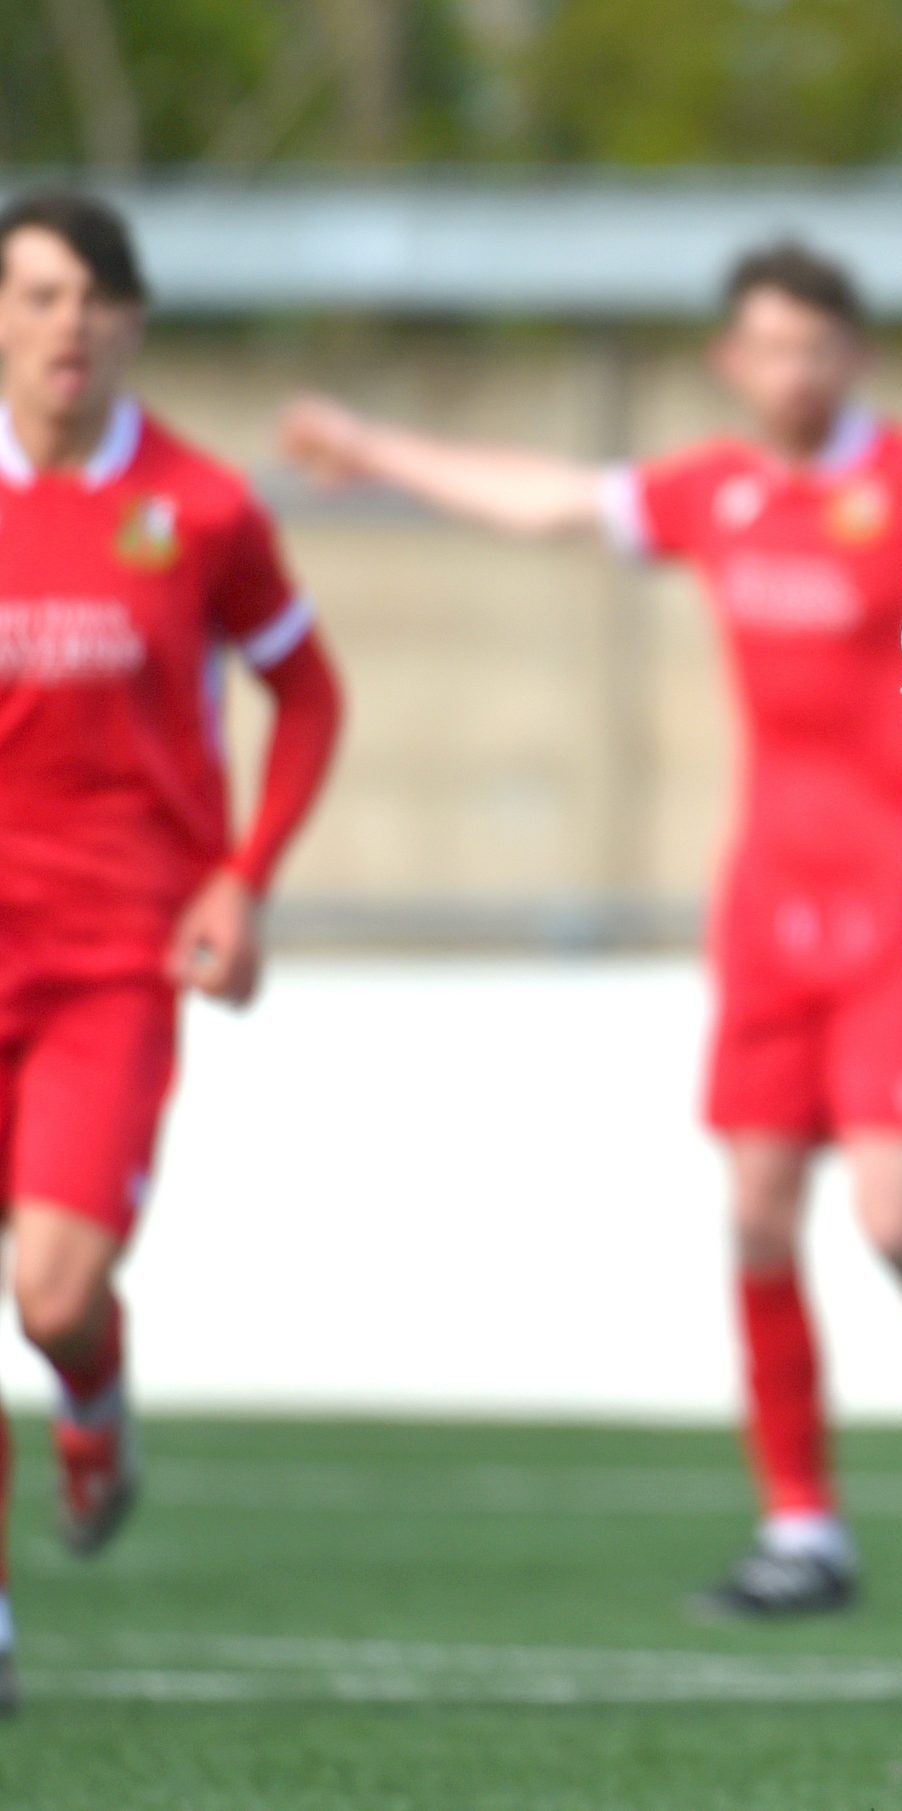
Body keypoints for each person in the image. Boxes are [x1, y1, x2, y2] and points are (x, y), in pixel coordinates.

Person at [278, 243, 902, 1615]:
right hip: (764, 909)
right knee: (756, 1215)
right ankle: (802, 1526)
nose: (790, 372)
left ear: (854, 355)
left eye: (813, 346)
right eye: (767, 347)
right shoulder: (719, 492)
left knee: (891, 1216)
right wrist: (375, 448)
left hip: (901, 911)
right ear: (730, 362)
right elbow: (550, 502)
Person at [0, 191, 345, 1713]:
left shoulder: (198, 509)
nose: (66, 324)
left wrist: (241, 879)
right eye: (36, 294)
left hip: (110, 955)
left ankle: (93, 1396)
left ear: (132, 320)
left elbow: (310, 694)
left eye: (93, 296)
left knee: (52, 1293)